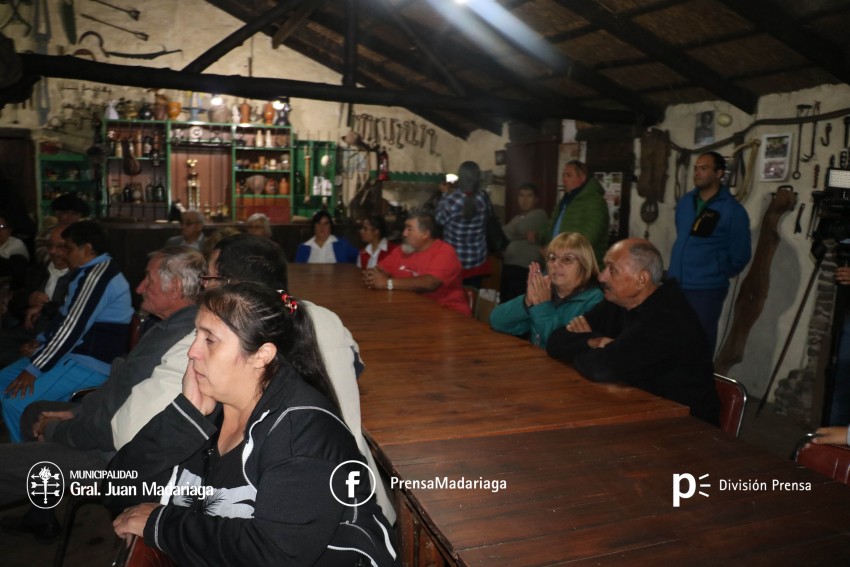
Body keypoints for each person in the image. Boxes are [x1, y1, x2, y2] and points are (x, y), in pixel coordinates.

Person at [110, 234, 396, 524]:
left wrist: (185, 415)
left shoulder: (208, 349)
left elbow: (126, 432)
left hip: (311, 514)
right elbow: (355, 365)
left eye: (208, 277)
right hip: (362, 496)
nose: (202, 285)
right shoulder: (321, 317)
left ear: (231, 286)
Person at [0, 246, 203, 541]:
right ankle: (40, 516)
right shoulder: (168, 326)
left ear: (174, 287)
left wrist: (57, 428)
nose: (139, 287)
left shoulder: (175, 339)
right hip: (108, 431)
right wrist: (75, 413)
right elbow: (117, 392)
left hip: (111, 461)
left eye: (148, 279)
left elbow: (114, 426)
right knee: (34, 411)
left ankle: (40, 480)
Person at [546, 238, 720, 425]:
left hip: (685, 426)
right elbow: (555, 342)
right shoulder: (617, 303)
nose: (602, 277)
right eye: (605, 267)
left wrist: (588, 348)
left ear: (641, 279)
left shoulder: (668, 318)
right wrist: (595, 341)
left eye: (612, 270)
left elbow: (601, 369)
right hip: (637, 411)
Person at [0, 221, 134, 442]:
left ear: (87, 249)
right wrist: (41, 340)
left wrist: (34, 369)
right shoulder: (86, 272)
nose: (63, 253)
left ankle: (28, 459)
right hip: (71, 354)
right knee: (3, 382)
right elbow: (65, 316)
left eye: (68, 248)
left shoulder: (97, 276)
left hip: (89, 362)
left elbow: (71, 330)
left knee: (16, 404)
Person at [668, 151, 751, 352]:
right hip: (677, 284)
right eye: (696, 168)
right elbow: (684, 237)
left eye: (704, 168)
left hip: (706, 289)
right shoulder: (685, 202)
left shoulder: (732, 210)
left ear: (719, 173)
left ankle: (700, 374)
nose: (697, 173)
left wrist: (718, 271)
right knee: (672, 339)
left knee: (699, 342)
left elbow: (740, 253)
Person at [490, 232, 603, 348]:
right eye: (552, 258)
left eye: (567, 259)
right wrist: (527, 302)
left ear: (584, 265)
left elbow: (564, 346)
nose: (556, 264)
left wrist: (541, 306)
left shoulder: (596, 301)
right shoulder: (546, 290)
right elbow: (497, 321)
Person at [363, 212, 471, 316]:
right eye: (405, 228)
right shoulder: (400, 251)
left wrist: (387, 283)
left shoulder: (445, 251)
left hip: (449, 315)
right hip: (414, 312)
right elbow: (377, 271)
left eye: (409, 229)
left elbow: (430, 283)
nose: (404, 233)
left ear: (425, 234)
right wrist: (374, 277)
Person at [0, 224, 72, 367]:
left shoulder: (80, 276)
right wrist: (29, 300)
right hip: (27, 331)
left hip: (57, 337)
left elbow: (75, 314)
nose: (53, 251)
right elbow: (14, 305)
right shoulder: (38, 270)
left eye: (60, 246)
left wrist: (45, 309)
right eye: (50, 245)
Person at [541, 160, 609, 266]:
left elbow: (588, 236)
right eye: (563, 175)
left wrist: (556, 249)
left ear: (582, 178)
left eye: (568, 175)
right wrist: (538, 235)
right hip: (559, 261)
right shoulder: (566, 200)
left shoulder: (595, 202)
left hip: (582, 265)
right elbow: (553, 227)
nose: (564, 179)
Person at [435, 161, 490, 287]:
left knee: (454, 296)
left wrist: (444, 194)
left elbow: (439, 219)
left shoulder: (452, 199)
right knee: (473, 295)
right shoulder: (483, 198)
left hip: (455, 260)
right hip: (477, 259)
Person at [499, 183, 548, 302]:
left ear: (536, 200)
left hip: (525, 269)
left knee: (519, 303)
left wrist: (514, 234)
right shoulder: (516, 218)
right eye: (521, 195)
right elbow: (502, 233)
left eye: (529, 196)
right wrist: (522, 236)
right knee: (505, 303)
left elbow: (519, 228)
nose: (524, 200)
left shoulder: (539, 214)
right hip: (509, 266)